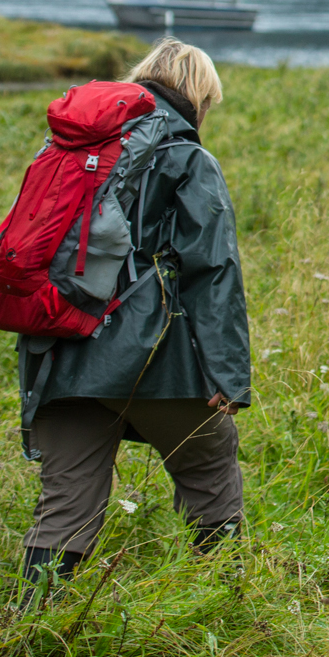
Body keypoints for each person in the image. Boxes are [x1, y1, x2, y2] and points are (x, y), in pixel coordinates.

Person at [17, 39, 250, 594]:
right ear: (201, 95)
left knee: (65, 507)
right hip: (156, 357)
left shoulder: (68, 147)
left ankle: (25, 638)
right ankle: (225, 613)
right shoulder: (188, 157)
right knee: (210, 475)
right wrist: (228, 377)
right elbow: (213, 270)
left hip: (61, 346)